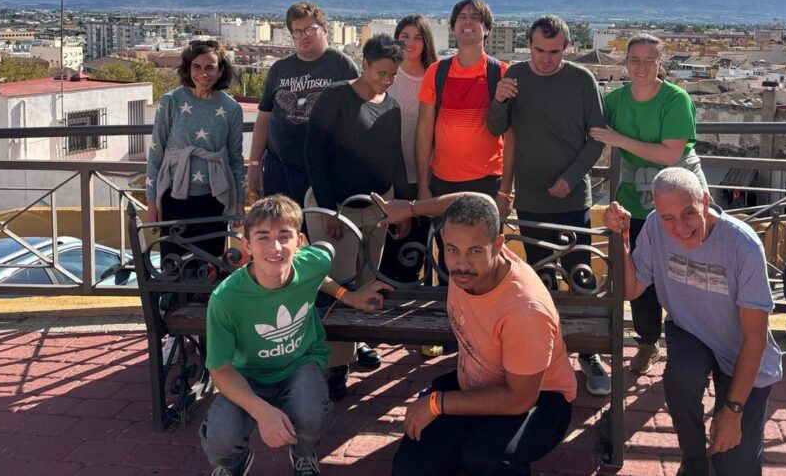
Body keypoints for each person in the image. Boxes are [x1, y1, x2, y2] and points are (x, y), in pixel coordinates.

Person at [376, 193, 576, 476]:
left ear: (498, 245)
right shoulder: (472, 243)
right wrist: (410, 209)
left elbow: (519, 399)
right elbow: (475, 200)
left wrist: (436, 403)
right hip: (475, 382)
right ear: (443, 240)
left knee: (485, 456)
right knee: (411, 467)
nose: (461, 264)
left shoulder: (525, 310)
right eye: (452, 249)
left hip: (540, 398)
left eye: (475, 251)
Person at [602, 168, 782, 476]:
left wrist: (733, 411)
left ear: (706, 201)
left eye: (689, 213)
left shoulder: (743, 244)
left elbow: (755, 339)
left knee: (733, 466)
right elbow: (631, 289)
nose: (680, 228)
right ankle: (694, 458)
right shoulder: (655, 227)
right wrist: (621, 238)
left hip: (741, 350)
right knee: (680, 379)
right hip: (691, 331)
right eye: (668, 217)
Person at [199, 195, 390, 476]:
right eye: (263, 237)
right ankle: (234, 462)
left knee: (311, 412)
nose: (275, 247)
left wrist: (347, 296)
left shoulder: (313, 261)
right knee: (220, 442)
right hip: (247, 374)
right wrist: (261, 411)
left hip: (299, 363)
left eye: (284, 236)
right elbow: (219, 370)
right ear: (247, 246)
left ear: (300, 242)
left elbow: (319, 273)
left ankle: (304, 450)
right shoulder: (226, 298)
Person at [486, 14, 611, 396]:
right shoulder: (515, 76)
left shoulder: (582, 80)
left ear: (566, 49)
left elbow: (597, 138)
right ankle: (545, 355)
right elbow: (495, 128)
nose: (545, 58)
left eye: (554, 52)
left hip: (573, 199)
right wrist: (499, 99)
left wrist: (569, 178)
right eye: (539, 50)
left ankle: (589, 354)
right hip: (531, 199)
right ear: (529, 45)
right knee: (540, 281)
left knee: (581, 277)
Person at [589, 33, 706, 375]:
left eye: (649, 60)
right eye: (634, 60)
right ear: (625, 63)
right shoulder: (615, 100)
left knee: (689, 270)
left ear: (660, 63)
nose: (641, 67)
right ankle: (648, 342)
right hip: (636, 200)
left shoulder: (676, 99)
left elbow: (671, 154)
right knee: (640, 275)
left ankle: (694, 344)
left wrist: (619, 140)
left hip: (681, 202)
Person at [304, 35, 408, 400]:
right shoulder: (335, 97)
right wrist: (329, 208)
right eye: (381, 73)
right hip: (337, 208)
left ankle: (356, 344)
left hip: (376, 209)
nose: (387, 81)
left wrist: (402, 207)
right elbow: (314, 155)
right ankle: (335, 366)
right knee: (340, 287)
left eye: (392, 75)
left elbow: (395, 158)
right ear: (363, 64)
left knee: (367, 282)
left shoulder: (391, 106)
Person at [248, 1, 359, 206]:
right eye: (297, 32)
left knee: (317, 224)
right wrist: (254, 163)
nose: (303, 36)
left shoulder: (343, 66)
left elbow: (357, 120)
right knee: (279, 223)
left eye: (310, 29)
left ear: (325, 29)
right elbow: (264, 118)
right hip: (279, 168)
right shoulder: (279, 69)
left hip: (324, 171)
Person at [146, 39, 244, 263]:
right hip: (174, 198)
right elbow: (156, 152)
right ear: (188, 69)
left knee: (210, 266)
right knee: (173, 266)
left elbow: (235, 159)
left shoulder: (232, 109)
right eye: (197, 66)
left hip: (214, 199)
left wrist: (238, 202)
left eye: (210, 67)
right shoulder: (170, 101)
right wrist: (152, 201)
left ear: (221, 71)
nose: (203, 73)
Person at [415, 0, 513, 214]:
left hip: (488, 182)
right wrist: (423, 184)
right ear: (453, 27)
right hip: (442, 181)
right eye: (462, 17)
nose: (468, 21)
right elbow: (424, 129)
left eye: (475, 17)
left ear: (487, 29)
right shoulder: (436, 72)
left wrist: (505, 192)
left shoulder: (501, 73)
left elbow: (512, 137)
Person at [381, 14, 439, 284]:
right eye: (404, 37)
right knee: (383, 251)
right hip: (387, 176)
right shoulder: (386, 74)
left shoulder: (436, 76)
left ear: (426, 42)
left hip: (422, 177)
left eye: (417, 37)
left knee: (413, 252)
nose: (410, 43)